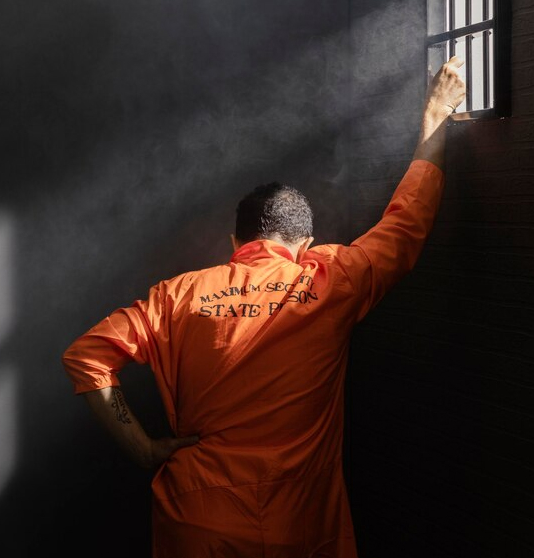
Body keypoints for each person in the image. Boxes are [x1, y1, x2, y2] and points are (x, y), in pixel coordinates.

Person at [62, 57, 466, 558]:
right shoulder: (332, 279)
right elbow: (407, 222)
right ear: (306, 244)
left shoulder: (176, 295)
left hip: (200, 521)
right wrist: (435, 116)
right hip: (299, 523)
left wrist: (144, 448)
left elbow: (87, 356)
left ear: (236, 241)